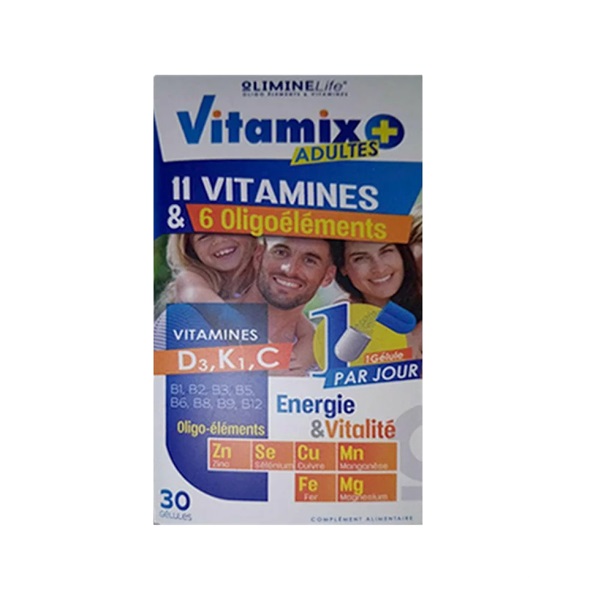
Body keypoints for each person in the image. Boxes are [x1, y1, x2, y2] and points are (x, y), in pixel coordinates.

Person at [242, 236, 337, 375]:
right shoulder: (210, 321)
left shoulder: (329, 361)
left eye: (309, 261)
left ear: (328, 276)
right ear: (258, 256)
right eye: (281, 253)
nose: (290, 270)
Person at [154, 233, 258, 349]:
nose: (219, 240)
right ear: (190, 249)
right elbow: (220, 312)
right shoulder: (190, 281)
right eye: (204, 236)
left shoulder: (267, 270)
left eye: (227, 228)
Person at [331, 241, 422, 358]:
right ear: (343, 268)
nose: (379, 268)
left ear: (402, 254)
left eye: (386, 251)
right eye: (360, 258)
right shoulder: (342, 315)